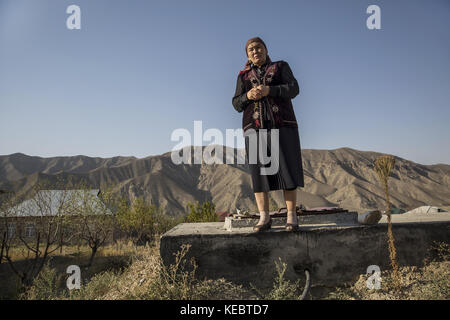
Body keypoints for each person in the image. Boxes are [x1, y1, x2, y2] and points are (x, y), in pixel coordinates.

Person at [232, 37, 305, 232]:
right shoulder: (243, 76)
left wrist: (269, 90)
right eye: (250, 50)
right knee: (259, 172)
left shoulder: (281, 67)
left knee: (287, 169)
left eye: (258, 48)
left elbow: (294, 88)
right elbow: (236, 103)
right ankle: (264, 217)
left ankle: (291, 216)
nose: (255, 52)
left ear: (265, 49)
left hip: (283, 125)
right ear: (247, 55)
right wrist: (248, 96)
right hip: (254, 128)